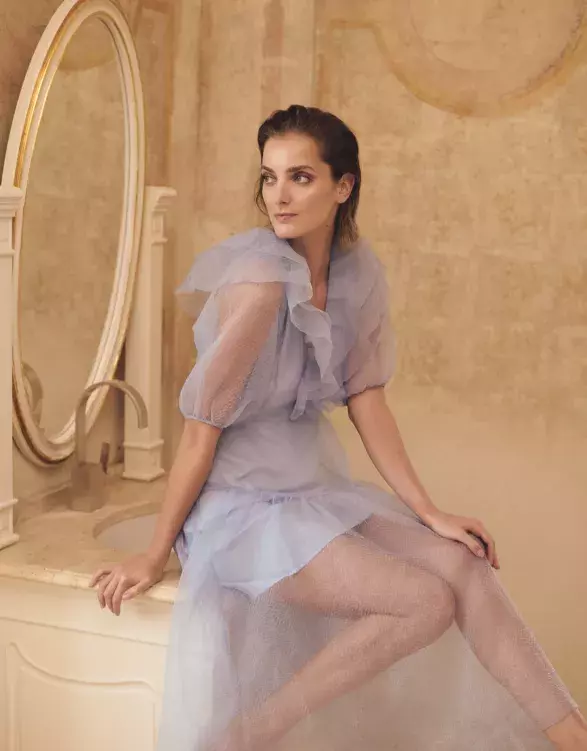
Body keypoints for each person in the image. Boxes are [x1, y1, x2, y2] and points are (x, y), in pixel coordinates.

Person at [90, 105, 587, 751]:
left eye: (300, 177)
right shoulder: (260, 285)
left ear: (342, 185)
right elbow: (198, 434)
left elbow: (365, 396)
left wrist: (429, 512)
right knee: (423, 600)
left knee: (464, 567)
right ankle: (248, 734)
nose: (279, 195)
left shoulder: (355, 272)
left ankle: (573, 736)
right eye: (269, 177)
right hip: (239, 509)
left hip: (310, 490)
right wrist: (156, 552)